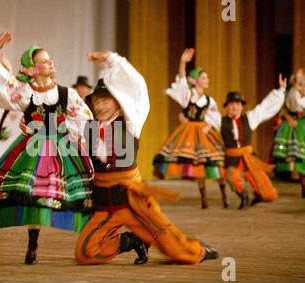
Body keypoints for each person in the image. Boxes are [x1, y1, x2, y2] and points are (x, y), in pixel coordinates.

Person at [75, 50, 219, 266]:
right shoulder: (89, 127)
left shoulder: (131, 122)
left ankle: (199, 250)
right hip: (106, 205)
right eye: (96, 101)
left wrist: (114, 60)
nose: (100, 105)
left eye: (106, 100)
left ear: (118, 102)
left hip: (134, 202)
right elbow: (59, 127)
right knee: (85, 253)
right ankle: (129, 240)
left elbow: (139, 87)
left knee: (177, 252)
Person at [0, 32, 94, 264]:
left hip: (62, 149)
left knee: (72, 195)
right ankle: (33, 243)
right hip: (33, 148)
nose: (51, 63)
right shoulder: (25, 92)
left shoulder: (67, 93)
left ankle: (90, 239)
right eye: (45, 61)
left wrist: (77, 136)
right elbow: (1, 81)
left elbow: (85, 118)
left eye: (50, 59)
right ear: (32, 69)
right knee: (32, 195)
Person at [153, 49, 228, 209]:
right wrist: (183, 62)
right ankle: (204, 198)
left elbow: (215, 117)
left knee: (214, 162)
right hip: (189, 133)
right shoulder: (188, 95)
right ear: (195, 81)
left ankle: (224, 194)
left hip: (204, 132)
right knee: (198, 165)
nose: (207, 80)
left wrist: (209, 126)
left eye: (206, 77)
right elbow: (181, 81)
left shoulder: (209, 99)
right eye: (203, 77)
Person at [221, 75, 287, 209]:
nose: (235, 107)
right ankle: (243, 195)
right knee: (231, 177)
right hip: (232, 159)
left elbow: (265, 107)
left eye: (238, 104)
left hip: (249, 158)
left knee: (269, 194)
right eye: (232, 104)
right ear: (227, 106)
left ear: (242, 106)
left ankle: (259, 195)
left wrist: (280, 91)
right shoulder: (221, 121)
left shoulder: (250, 118)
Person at [272, 69, 305, 196]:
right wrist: (288, 117)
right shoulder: (292, 93)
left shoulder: (299, 93)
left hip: (301, 121)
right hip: (297, 122)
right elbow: (284, 108)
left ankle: (302, 180)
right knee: (296, 153)